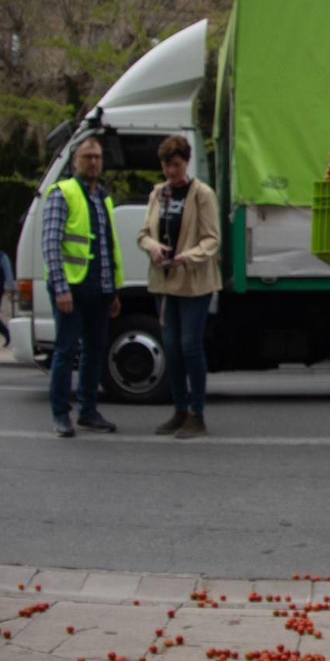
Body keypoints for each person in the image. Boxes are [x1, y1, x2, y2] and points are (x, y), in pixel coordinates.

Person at [137, 135, 221, 439]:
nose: (171, 171)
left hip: (194, 282)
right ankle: (179, 409)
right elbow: (144, 234)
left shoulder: (202, 194)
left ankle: (197, 414)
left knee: (189, 345)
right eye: (166, 166)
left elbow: (212, 239)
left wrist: (187, 257)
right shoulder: (158, 193)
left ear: (186, 163)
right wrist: (153, 248)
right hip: (165, 282)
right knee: (170, 348)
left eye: (176, 165)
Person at [43, 137, 123, 438]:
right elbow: (51, 244)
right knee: (65, 352)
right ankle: (60, 414)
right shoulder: (62, 193)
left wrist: (113, 291)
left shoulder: (104, 199)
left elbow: (108, 248)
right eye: (88, 156)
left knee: (94, 352)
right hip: (71, 290)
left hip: (99, 291)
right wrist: (61, 288)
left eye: (98, 157)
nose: (93, 162)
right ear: (75, 160)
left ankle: (88, 412)